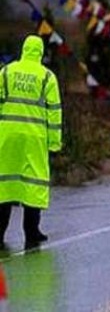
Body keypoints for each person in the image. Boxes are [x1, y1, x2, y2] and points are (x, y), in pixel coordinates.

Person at [0, 35, 62, 248]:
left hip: (7, 135)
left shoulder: (6, 72)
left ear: (23, 49)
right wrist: (54, 143)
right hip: (35, 137)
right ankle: (31, 231)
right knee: (33, 184)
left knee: (5, 183)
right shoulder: (47, 77)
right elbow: (54, 113)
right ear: (41, 53)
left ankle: (0, 232)